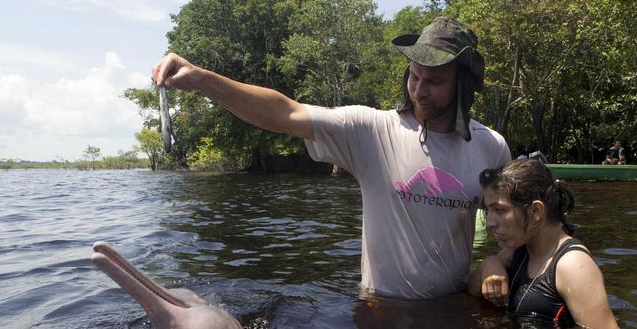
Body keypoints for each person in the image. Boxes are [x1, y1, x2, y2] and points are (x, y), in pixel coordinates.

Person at [153, 16, 511, 299]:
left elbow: (517, 232)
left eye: (434, 81)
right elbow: (283, 113)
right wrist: (201, 79)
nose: (419, 90)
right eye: (414, 76)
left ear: (462, 83)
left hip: (451, 311)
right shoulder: (371, 130)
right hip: (379, 309)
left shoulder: (491, 147)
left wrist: (495, 260)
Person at [467, 159, 621, 329]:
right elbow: (471, 289)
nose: (489, 223)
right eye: (488, 211)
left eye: (499, 210)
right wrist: (490, 263)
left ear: (536, 211)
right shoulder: (520, 249)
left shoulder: (573, 266)